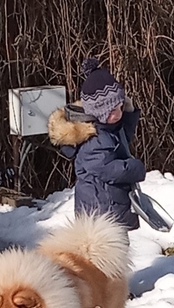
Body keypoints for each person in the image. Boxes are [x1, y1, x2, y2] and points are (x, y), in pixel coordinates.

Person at [48, 57, 146, 231]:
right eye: (112, 111)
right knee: (104, 252)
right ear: (97, 112)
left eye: (120, 108)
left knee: (119, 246)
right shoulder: (94, 140)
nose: (117, 114)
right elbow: (108, 169)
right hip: (99, 210)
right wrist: (135, 167)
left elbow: (122, 138)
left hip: (109, 202)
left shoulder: (107, 128)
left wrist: (129, 114)